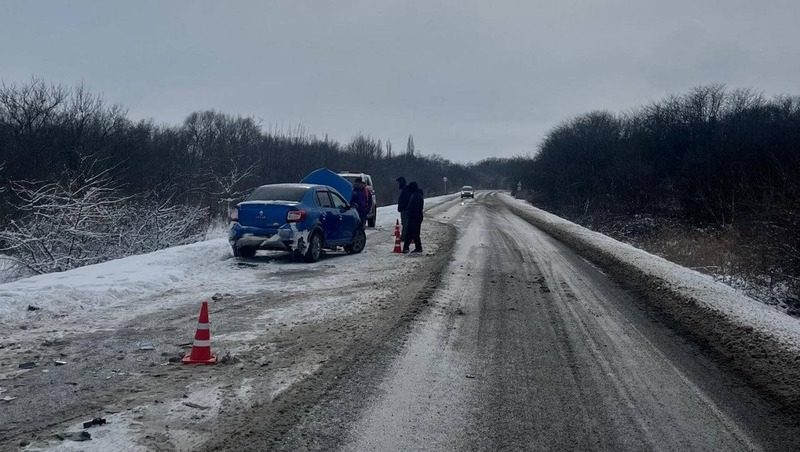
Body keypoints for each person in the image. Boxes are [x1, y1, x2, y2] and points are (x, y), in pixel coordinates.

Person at [403, 181, 424, 253]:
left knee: (412, 233)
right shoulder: (417, 194)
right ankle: (410, 247)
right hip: (416, 216)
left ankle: (415, 248)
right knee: (413, 233)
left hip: (415, 217)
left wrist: (410, 214)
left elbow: (415, 207)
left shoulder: (416, 196)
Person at [396, 176, 413, 241]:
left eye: (398, 183)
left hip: (405, 209)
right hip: (405, 209)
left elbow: (405, 200)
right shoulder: (405, 189)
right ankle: (406, 236)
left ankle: (405, 237)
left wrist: (402, 207)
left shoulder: (405, 190)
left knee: (405, 223)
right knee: (405, 223)